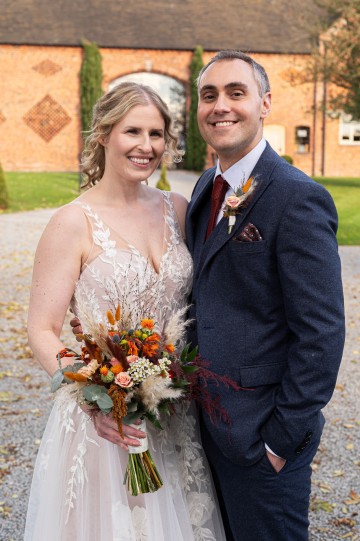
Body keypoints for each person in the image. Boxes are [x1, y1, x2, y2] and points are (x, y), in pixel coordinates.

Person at [25, 82, 226, 541]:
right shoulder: (72, 222)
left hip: (175, 413)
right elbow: (42, 328)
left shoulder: (179, 210)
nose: (146, 146)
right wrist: (96, 398)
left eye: (156, 134)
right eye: (132, 131)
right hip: (105, 422)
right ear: (104, 135)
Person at [185, 49, 345, 541]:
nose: (221, 106)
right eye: (209, 95)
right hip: (206, 428)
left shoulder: (296, 196)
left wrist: (279, 438)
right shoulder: (205, 189)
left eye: (237, 93)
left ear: (265, 103)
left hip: (260, 438)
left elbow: (321, 332)